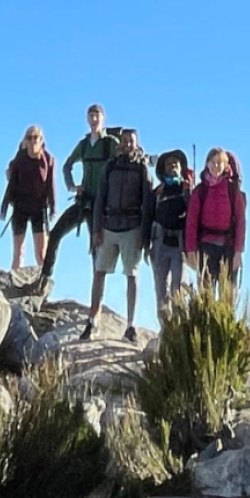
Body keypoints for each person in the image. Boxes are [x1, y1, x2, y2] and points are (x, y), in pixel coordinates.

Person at [84, 127, 152, 342]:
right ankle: (92, 321)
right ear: (120, 143)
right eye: (125, 140)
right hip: (108, 225)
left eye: (131, 141)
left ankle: (130, 325)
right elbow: (100, 198)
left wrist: (144, 234)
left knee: (132, 274)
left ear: (136, 143)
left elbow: (148, 203)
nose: (128, 144)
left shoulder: (141, 169)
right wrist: (96, 229)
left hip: (132, 226)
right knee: (99, 271)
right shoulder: (110, 166)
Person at [39, 103, 117, 289]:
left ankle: (96, 296)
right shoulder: (84, 145)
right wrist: (72, 186)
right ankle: (44, 279)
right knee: (55, 233)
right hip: (84, 201)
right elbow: (67, 165)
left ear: (103, 118)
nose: (94, 119)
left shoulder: (110, 143)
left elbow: (123, 162)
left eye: (97, 115)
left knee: (96, 247)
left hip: (102, 203)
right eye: (91, 115)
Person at [183, 147, 246, 294]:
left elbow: (240, 222)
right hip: (206, 247)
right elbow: (191, 222)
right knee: (206, 295)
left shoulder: (232, 190)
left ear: (226, 166)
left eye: (220, 162)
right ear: (207, 164)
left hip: (228, 247)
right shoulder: (200, 191)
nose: (216, 166)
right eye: (213, 162)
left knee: (227, 296)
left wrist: (238, 251)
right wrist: (190, 251)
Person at [0, 124, 56, 272]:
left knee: (41, 255)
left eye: (35, 137)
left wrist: (53, 207)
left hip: (39, 208)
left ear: (41, 140)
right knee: (18, 254)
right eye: (29, 138)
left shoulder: (48, 160)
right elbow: (12, 184)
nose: (32, 141)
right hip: (20, 207)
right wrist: (4, 205)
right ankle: (14, 280)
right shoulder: (20, 159)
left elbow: (51, 185)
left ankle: (42, 282)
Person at [148, 149, 192, 323]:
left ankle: (180, 328)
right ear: (163, 169)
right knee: (161, 288)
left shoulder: (188, 190)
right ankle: (166, 329)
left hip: (180, 244)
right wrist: (145, 242)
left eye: (176, 163)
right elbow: (148, 217)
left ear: (181, 168)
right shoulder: (157, 192)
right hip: (159, 242)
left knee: (178, 288)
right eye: (168, 163)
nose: (173, 165)